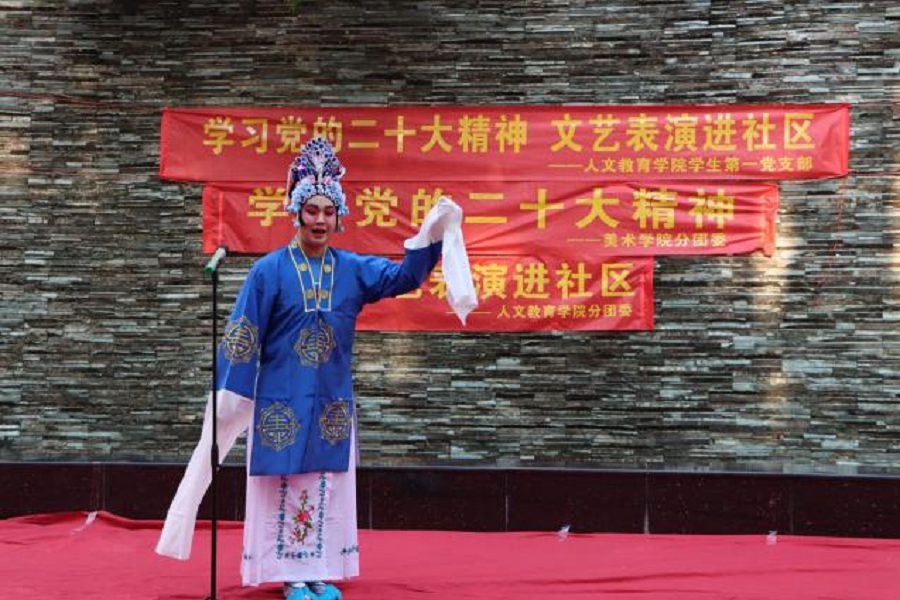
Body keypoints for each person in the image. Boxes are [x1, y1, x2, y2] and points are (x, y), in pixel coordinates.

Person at [156, 137, 475, 600]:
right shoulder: (267, 272)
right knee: (285, 486)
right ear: (296, 212)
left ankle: (318, 571)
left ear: (339, 216)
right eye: (312, 210)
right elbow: (242, 337)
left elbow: (403, 277)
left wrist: (433, 234)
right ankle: (290, 575)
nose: (321, 220)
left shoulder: (352, 270)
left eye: (329, 211)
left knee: (326, 486)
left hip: (331, 402)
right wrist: (231, 398)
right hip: (281, 404)